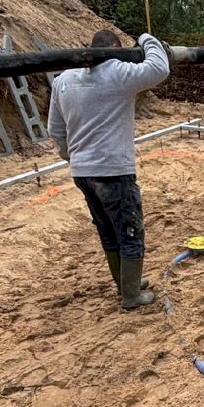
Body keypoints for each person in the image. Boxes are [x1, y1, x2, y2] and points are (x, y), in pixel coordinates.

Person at [48, 29, 171, 309]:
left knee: (108, 230)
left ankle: (125, 282)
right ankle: (130, 296)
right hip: (113, 170)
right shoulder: (116, 71)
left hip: (82, 172)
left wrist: (73, 157)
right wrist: (146, 39)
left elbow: (55, 129)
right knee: (130, 231)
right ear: (115, 50)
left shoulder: (64, 79)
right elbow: (158, 68)